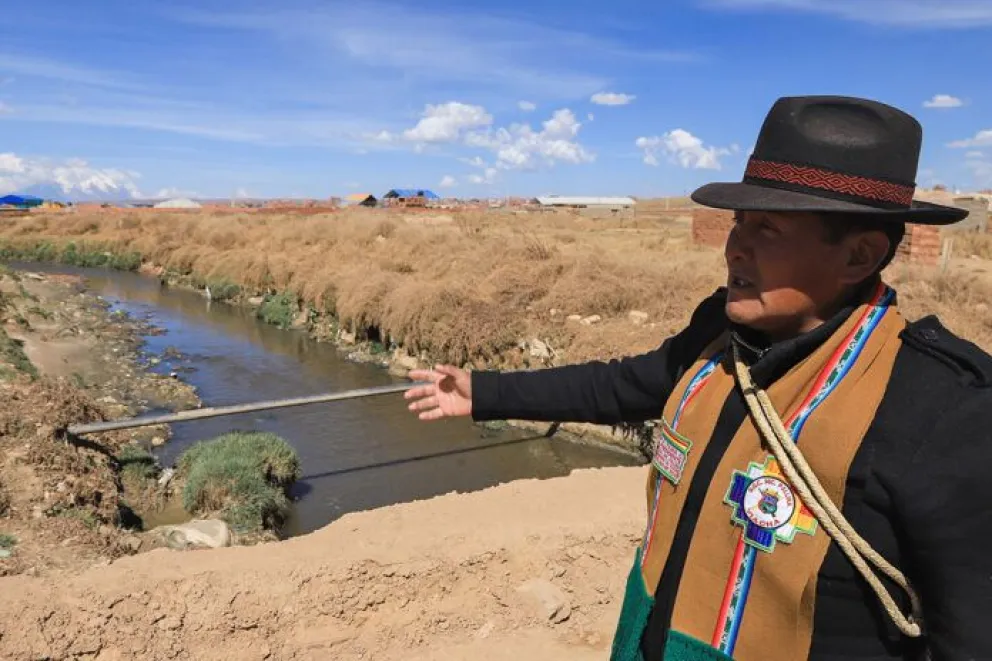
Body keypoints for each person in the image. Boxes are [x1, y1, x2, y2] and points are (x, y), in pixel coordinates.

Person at [403, 96, 992, 661]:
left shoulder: (942, 410)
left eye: (769, 229)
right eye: (740, 222)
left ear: (859, 257)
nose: (735, 248)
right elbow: (625, 385)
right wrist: (484, 392)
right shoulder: (721, 334)